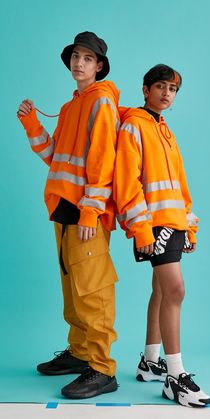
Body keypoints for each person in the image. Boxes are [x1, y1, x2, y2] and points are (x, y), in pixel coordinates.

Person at [17, 31, 120, 399]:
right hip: (62, 209)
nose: (79, 63)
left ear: (100, 66)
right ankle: (79, 354)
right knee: (73, 291)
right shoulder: (71, 105)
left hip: (84, 212)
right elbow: (55, 155)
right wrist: (31, 123)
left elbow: (103, 161)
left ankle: (102, 368)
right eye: (76, 56)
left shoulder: (101, 103)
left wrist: (92, 212)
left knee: (93, 290)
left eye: (88, 58)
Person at [113, 64, 210, 407]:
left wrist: (188, 225)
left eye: (172, 89)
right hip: (152, 224)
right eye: (160, 87)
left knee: (159, 288)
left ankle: (149, 361)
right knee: (175, 290)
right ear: (145, 89)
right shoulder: (134, 126)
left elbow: (179, 186)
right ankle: (175, 377)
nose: (167, 94)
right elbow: (126, 183)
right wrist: (140, 229)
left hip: (172, 223)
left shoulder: (165, 129)